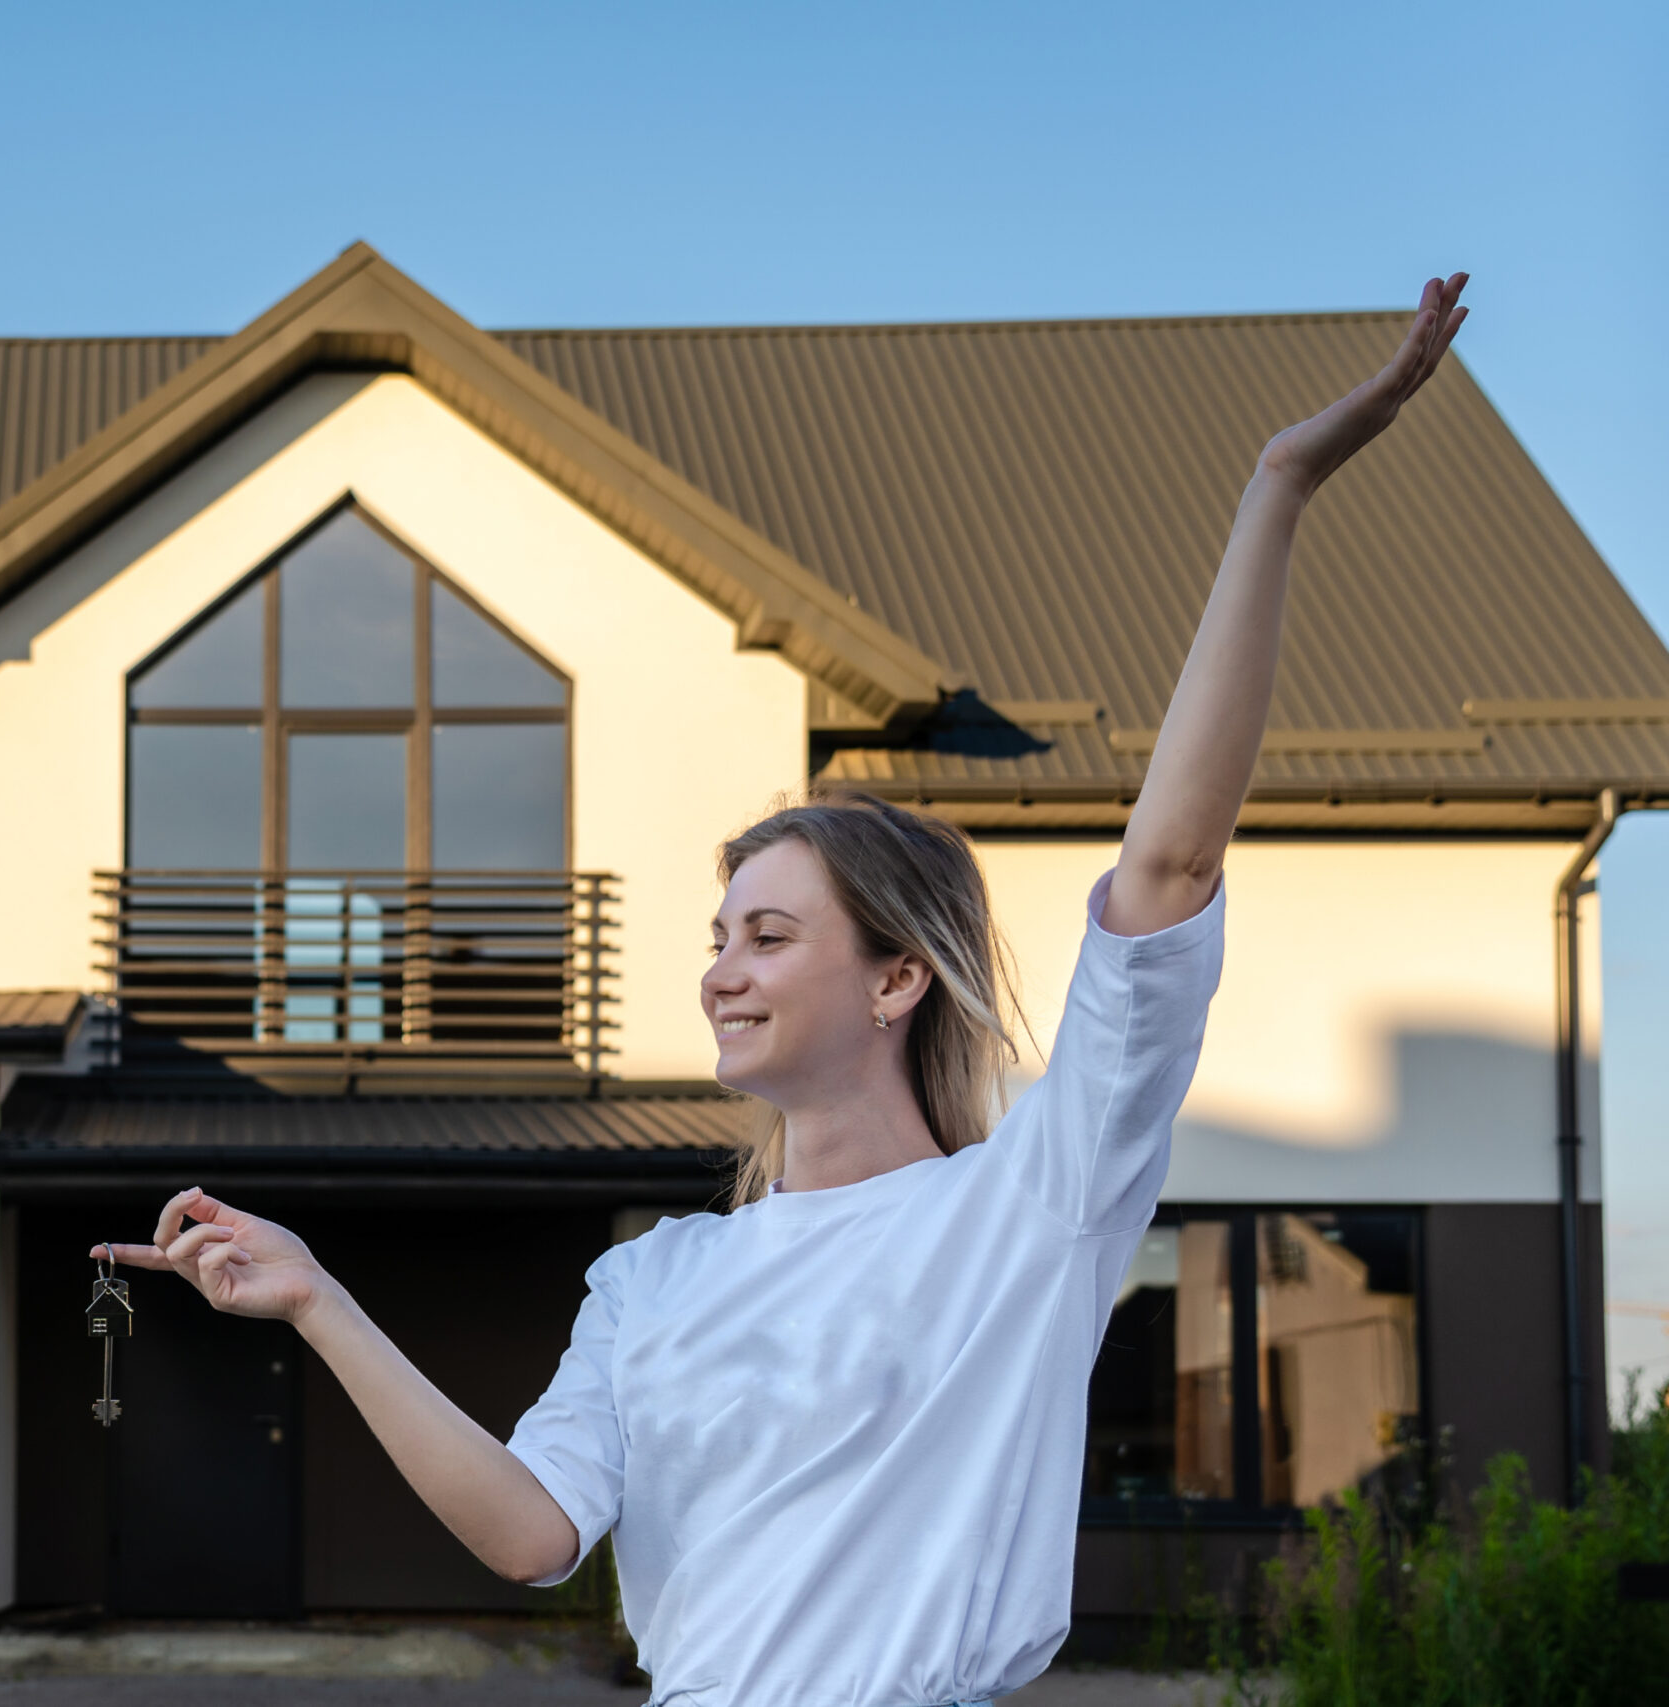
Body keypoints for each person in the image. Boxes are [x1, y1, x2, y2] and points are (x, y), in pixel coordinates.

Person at [94, 276, 1470, 1707]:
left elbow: (1172, 864)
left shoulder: (1029, 1208)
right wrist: (320, 1302)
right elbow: (528, 1535)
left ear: (895, 980)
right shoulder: (650, 1281)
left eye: (766, 935)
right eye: (719, 935)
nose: (719, 972)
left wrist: (1277, 491)